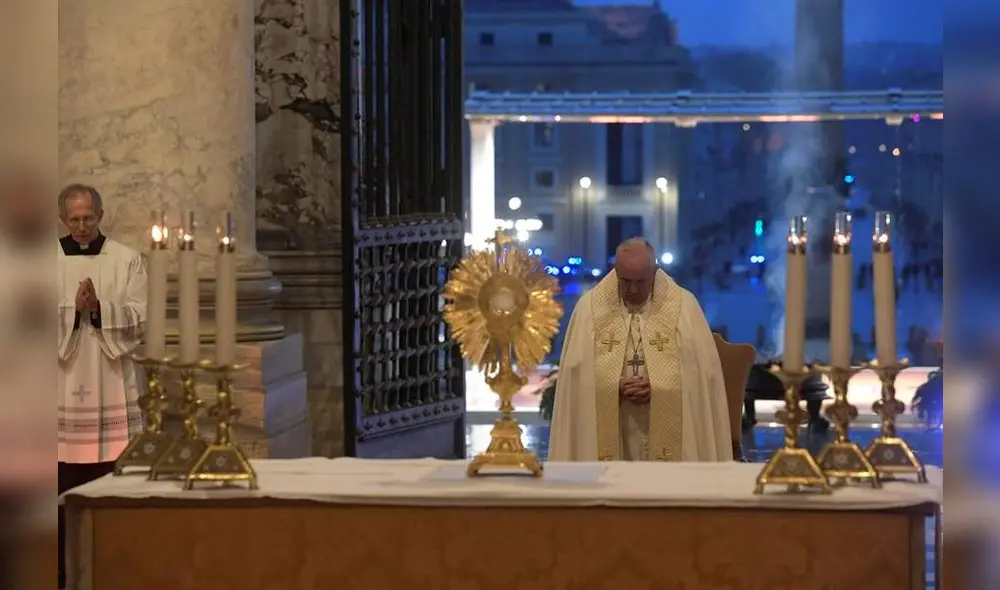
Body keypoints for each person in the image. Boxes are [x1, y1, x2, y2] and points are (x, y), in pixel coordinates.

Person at [548, 238, 732, 462]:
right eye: (625, 281)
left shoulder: (684, 307)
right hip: (615, 427)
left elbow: (703, 378)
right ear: (614, 272)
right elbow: (575, 378)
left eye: (640, 281)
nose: (632, 290)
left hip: (668, 428)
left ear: (654, 272)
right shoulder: (589, 310)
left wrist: (660, 385)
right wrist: (611, 385)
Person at [57, 183, 146, 587]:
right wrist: (72, 312)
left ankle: (116, 564)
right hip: (58, 385)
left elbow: (140, 318)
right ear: (63, 219)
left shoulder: (127, 260)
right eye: (73, 219)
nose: (81, 226)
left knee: (113, 478)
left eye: (88, 218)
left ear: (101, 215)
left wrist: (98, 310)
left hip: (109, 379)